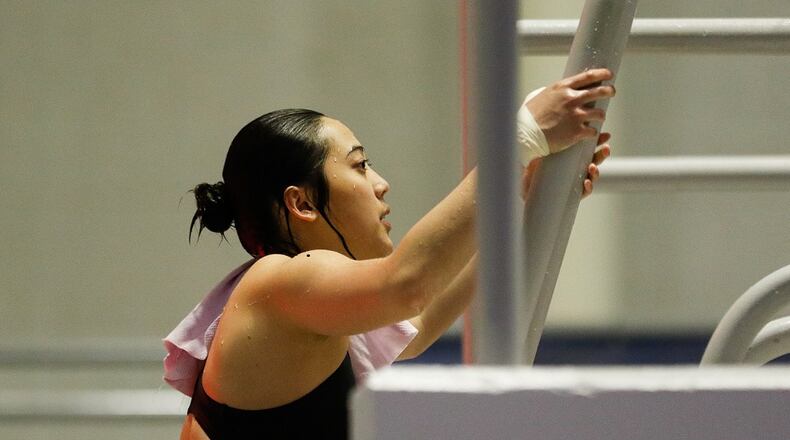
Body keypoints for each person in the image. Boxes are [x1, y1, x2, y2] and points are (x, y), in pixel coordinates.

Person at [166, 68, 615, 439]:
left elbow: (416, 324)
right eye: (360, 165)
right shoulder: (281, 278)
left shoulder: (305, 299)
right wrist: (520, 138)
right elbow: (409, 285)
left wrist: (523, 196)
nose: (380, 183)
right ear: (301, 203)